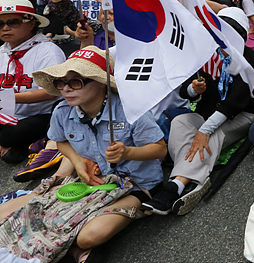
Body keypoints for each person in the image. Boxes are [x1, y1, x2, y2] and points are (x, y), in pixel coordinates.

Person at [0, 46, 167, 262]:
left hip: (135, 185)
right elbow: (60, 142)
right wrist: (78, 162)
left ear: (100, 83)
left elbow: (160, 148)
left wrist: (128, 152)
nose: (66, 89)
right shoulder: (62, 111)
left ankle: (79, 246)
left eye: (75, 82)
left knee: (89, 236)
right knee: (9, 216)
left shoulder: (130, 109)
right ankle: (74, 250)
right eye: (61, 82)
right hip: (88, 182)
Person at [143, 8, 254, 216]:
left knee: (212, 134)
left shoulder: (246, 57)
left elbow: (236, 101)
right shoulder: (206, 54)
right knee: (180, 122)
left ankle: (177, 184)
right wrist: (193, 89)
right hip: (206, 111)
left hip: (241, 114)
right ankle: (191, 179)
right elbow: (186, 86)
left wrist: (204, 131)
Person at [0, 0, 65, 164]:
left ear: (31, 23)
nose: (5, 28)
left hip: (41, 113)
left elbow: (53, 91)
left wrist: (9, 97)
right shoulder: (2, 52)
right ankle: (18, 146)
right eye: (0, 24)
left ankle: (41, 140)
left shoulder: (48, 51)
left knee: (9, 135)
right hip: (8, 112)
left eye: (13, 22)